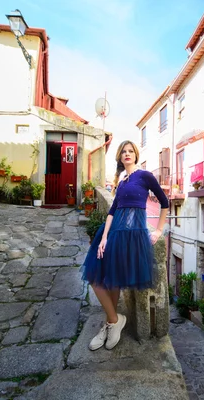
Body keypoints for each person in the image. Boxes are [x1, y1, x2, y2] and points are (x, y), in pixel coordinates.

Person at [82, 140, 169, 350]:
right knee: (97, 277)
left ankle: (110, 323)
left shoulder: (144, 176)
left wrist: (158, 230)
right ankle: (113, 320)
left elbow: (164, 201)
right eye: (124, 152)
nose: (127, 154)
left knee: (114, 279)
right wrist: (103, 238)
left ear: (136, 155)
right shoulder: (121, 181)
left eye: (131, 151)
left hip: (132, 236)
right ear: (120, 157)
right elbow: (113, 210)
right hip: (112, 232)